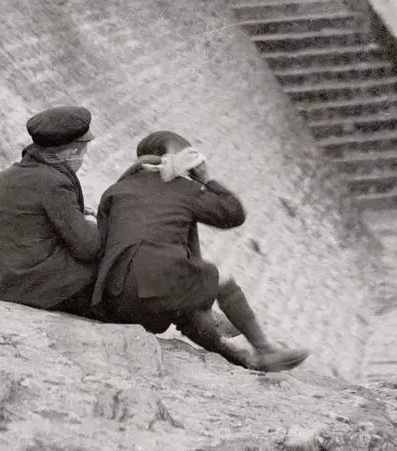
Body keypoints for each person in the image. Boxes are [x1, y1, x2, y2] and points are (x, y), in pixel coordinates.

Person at [92, 130, 309, 373]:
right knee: (217, 278)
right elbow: (233, 214)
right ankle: (264, 350)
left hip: (115, 300)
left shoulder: (115, 190)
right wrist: (205, 179)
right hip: (155, 287)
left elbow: (102, 244)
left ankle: (241, 358)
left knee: (181, 297)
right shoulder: (184, 189)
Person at [0, 106, 105, 318]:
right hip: (39, 289)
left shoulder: (7, 176)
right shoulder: (54, 184)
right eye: (83, 152)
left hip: (8, 283)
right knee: (114, 260)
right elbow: (88, 247)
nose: (82, 157)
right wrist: (89, 220)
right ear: (70, 152)